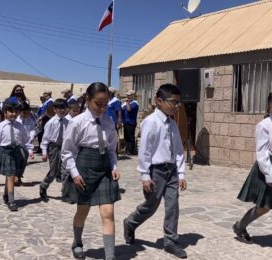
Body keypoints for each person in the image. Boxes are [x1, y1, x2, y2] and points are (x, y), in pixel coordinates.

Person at [123, 84, 187, 259]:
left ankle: (171, 241)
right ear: (159, 101)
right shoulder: (151, 122)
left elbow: (179, 150)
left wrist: (181, 173)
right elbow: (145, 151)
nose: (175, 106)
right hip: (156, 171)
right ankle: (130, 223)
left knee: (173, 206)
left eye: (178, 103)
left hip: (172, 170)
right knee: (150, 206)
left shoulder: (173, 124)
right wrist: (145, 175)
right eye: (173, 102)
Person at [62, 82, 120, 260]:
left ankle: (110, 256)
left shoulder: (108, 122)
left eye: (105, 104)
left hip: (104, 170)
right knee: (83, 211)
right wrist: (75, 173)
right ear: (88, 100)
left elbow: (111, 149)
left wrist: (114, 166)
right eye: (98, 104)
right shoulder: (77, 122)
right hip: (84, 168)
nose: (102, 108)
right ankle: (77, 242)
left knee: (108, 212)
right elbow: (68, 151)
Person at [234, 90, 272, 257]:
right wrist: (269, 175)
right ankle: (240, 226)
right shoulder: (264, 125)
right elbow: (261, 152)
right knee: (263, 208)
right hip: (269, 167)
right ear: (269, 107)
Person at [0, 103, 33, 211]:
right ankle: (11, 201)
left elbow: (25, 139)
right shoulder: (0, 126)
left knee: (10, 175)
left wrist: (30, 150)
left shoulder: (20, 126)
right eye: (11, 111)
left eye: (16, 112)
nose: (14, 114)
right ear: (5, 113)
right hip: (5, 151)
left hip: (16, 151)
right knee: (11, 175)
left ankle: (6, 195)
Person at [39, 98, 69, 201]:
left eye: (64, 108)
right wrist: (44, 152)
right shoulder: (51, 122)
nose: (62, 110)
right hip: (54, 147)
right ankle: (43, 186)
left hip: (64, 147)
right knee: (53, 171)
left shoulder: (68, 122)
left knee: (66, 170)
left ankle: (66, 193)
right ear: (55, 109)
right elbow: (45, 138)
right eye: (59, 108)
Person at [16, 102, 36, 183]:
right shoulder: (16, 120)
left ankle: (19, 175)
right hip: (17, 143)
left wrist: (31, 136)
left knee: (24, 161)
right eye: (24, 113)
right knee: (17, 161)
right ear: (19, 112)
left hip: (27, 143)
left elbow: (32, 130)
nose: (26, 114)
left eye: (28, 113)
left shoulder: (30, 121)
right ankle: (16, 176)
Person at [121, 90, 139, 155]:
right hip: (125, 122)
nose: (127, 96)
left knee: (130, 137)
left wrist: (127, 103)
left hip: (131, 122)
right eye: (127, 95)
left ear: (132, 96)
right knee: (126, 137)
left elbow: (129, 110)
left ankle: (130, 151)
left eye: (129, 95)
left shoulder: (135, 103)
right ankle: (127, 150)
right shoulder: (124, 104)